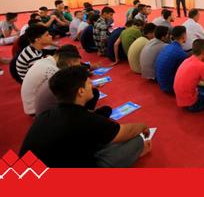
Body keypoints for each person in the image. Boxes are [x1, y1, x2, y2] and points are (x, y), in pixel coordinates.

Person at [19, 66, 151, 168]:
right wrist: (143, 127)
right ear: (81, 91)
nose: (92, 85)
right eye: (89, 83)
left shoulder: (45, 115)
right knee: (136, 141)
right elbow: (124, 132)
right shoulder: (85, 120)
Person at [174, 39, 204, 112]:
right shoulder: (202, 66)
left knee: (203, 86)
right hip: (192, 104)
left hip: (180, 99)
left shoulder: (186, 60)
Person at [155, 26, 188, 93]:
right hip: (170, 86)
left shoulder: (167, 47)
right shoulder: (182, 54)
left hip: (161, 82)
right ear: (184, 36)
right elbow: (183, 74)